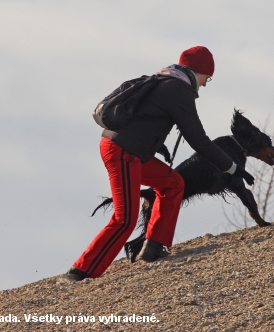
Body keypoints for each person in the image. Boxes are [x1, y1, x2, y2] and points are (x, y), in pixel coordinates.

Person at [65, 46, 255, 281]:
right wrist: (232, 167)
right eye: (208, 78)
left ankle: (153, 248)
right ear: (198, 72)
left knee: (173, 183)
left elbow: (146, 118)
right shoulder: (179, 90)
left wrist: (153, 143)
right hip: (123, 153)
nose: (206, 84)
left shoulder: (163, 80)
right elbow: (200, 141)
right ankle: (80, 271)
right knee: (125, 219)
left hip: (131, 151)